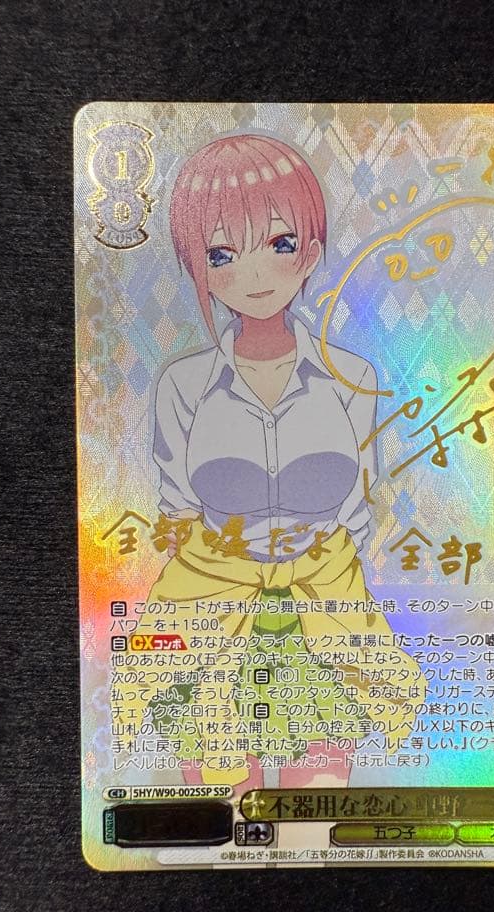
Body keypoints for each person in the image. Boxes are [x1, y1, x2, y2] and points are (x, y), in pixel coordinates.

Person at [131, 134, 425, 791]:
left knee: (314, 818)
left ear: (310, 253)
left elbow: (358, 507)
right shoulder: (183, 385)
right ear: (199, 268)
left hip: (324, 621)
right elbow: (176, 509)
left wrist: (323, 578)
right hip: (213, 620)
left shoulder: (352, 378)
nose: (254, 274)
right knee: (223, 818)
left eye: (279, 243)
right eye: (222, 254)